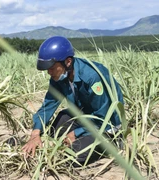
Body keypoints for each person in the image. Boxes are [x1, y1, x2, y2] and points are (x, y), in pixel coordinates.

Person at [22, 36, 124, 166]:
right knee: (57, 126)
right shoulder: (58, 76)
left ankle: (110, 144)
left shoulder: (92, 78)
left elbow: (103, 118)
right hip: (84, 115)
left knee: (74, 155)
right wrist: (35, 133)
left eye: (52, 68)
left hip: (106, 125)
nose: (49, 72)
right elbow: (48, 105)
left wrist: (76, 133)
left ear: (68, 62)